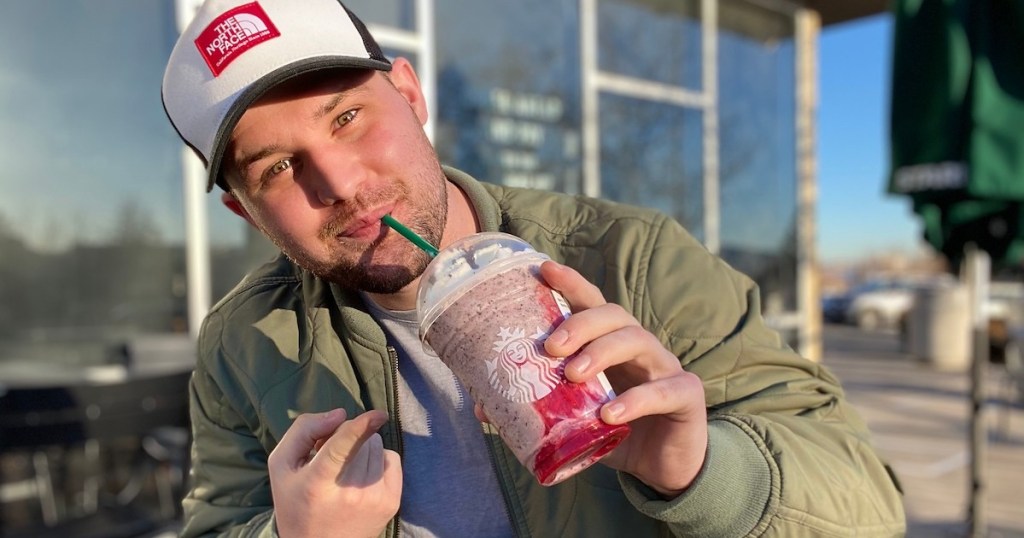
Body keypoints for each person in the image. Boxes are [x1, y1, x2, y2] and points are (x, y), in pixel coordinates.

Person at [162, 1, 906, 536]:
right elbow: (215, 522)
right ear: (247, 216)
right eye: (278, 169)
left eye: (348, 118)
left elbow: (868, 509)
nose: (342, 183)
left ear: (412, 95)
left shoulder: (631, 259)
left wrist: (702, 471)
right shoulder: (244, 344)